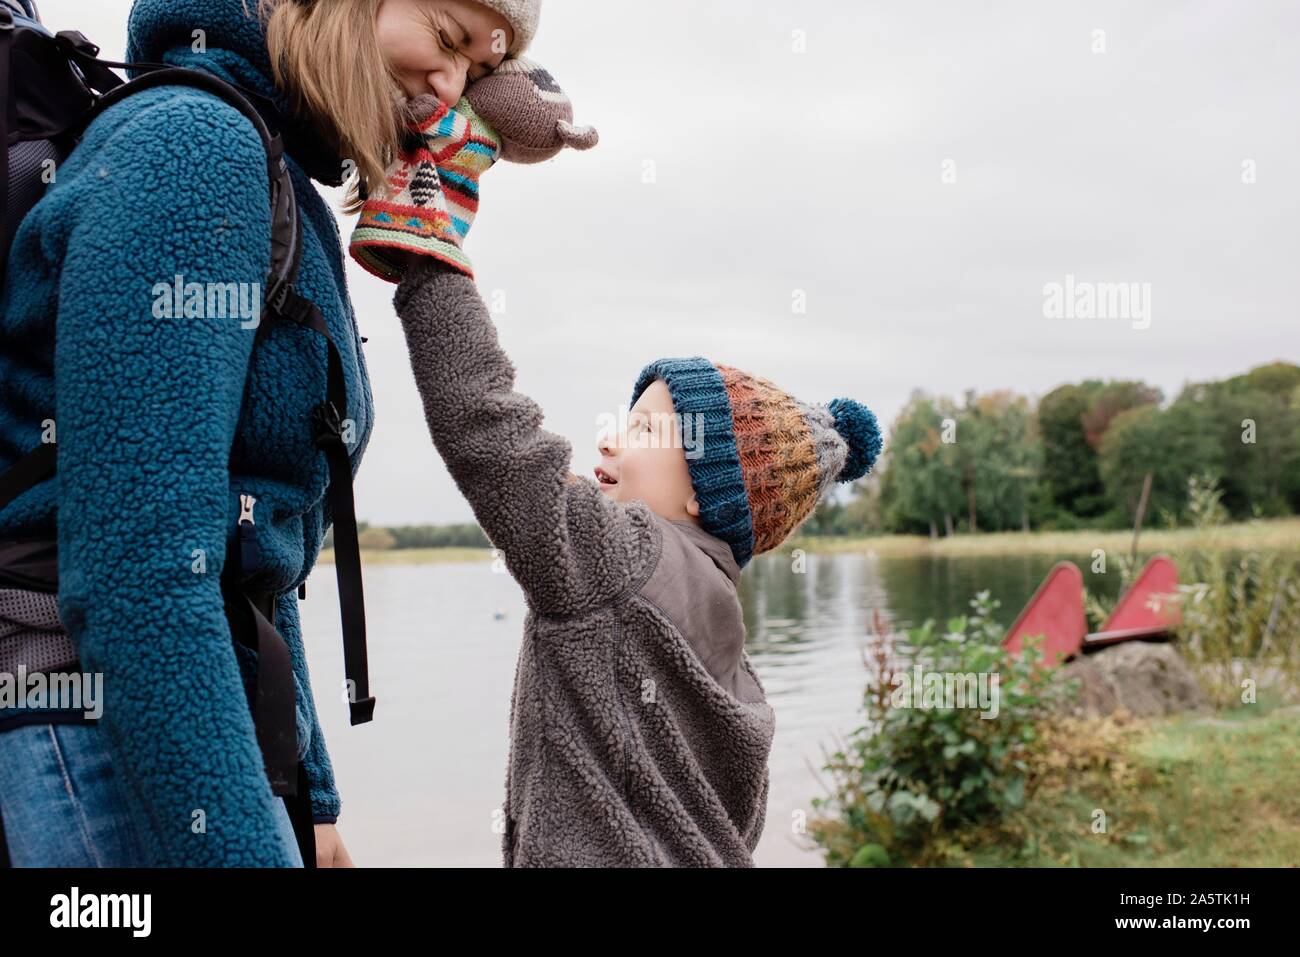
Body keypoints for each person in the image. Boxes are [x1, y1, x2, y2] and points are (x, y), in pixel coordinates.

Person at [0, 0, 540, 868]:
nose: (452, 86)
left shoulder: (273, 165)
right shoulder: (194, 151)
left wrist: (311, 800)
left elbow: (251, 534)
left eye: (478, 72)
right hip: (95, 730)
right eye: (446, 37)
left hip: (179, 722)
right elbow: (136, 569)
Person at [349, 98, 884, 865]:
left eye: (642, 428)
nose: (609, 434)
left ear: (705, 490)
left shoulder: (621, 555)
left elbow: (493, 436)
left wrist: (427, 251)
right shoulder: (736, 659)